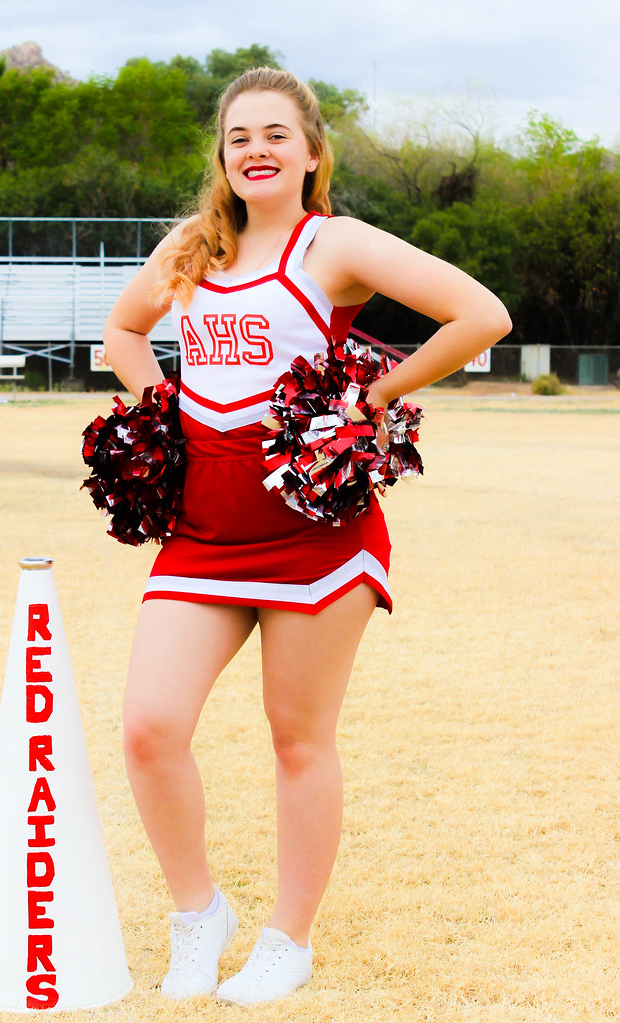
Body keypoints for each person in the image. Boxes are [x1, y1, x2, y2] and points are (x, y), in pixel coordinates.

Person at [103, 67, 511, 1006]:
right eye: (239, 135)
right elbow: (125, 330)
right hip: (202, 525)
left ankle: (288, 937)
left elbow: (480, 314)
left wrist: (369, 397)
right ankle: (197, 911)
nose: (255, 149)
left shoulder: (338, 244)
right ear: (221, 154)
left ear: (311, 152)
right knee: (150, 728)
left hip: (314, 529)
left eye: (276, 134)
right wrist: (159, 407)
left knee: (298, 738)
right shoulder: (192, 248)